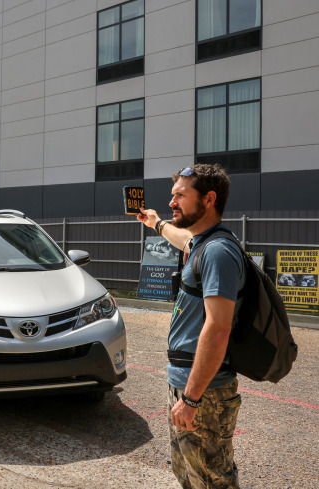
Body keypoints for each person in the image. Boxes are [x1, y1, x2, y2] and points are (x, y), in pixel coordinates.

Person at [137, 164, 245, 488]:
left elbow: (218, 328)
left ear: (209, 199)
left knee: (213, 480)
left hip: (204, 393)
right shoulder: (200, 243)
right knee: (187, 475)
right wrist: (155, 223)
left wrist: (193, 398)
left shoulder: (218, 252)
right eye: (172, 196)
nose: (172, 202)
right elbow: (179, 236)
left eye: (180, 196)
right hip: (186, 385)